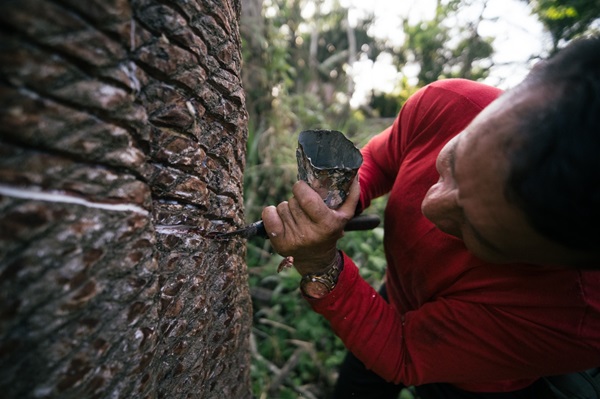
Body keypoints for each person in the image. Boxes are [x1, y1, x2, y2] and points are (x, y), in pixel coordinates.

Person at [261, 35, 600, 398]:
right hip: (398, 295)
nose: (430, 206)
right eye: (452, 162)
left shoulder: (576, 317)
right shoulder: (452, 103)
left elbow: (404, 350)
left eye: (477, 235)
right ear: (531, 78)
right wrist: (337, 201)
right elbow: (382, 159)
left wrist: (322, 265)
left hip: (477, 384)